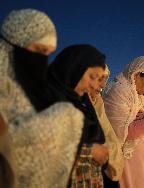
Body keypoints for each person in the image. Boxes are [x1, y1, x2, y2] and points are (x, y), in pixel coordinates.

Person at [0, 9, 84, 187]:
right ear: (16, 40)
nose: (41, 60)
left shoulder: (34, 87)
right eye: (39, 50)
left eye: (48, 54)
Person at [47, 44, 108, 188]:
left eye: (99, 79)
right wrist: (90, 151)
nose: (94, 85)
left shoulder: (83, 104)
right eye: (93, 77)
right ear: (74, 68)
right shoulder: (47, 99)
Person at [103, 56, 144, 188]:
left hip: (140, 162)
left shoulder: (139, 98)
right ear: (137, 74)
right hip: (125, 162)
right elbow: (122, 131)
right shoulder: (119, 91)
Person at [89, 65, 124, 187]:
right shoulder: (76, 105)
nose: (103, 85)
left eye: (105, 79)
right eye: (99, 78)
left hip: (106, 172)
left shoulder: (98, 102)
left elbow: (109, 135)